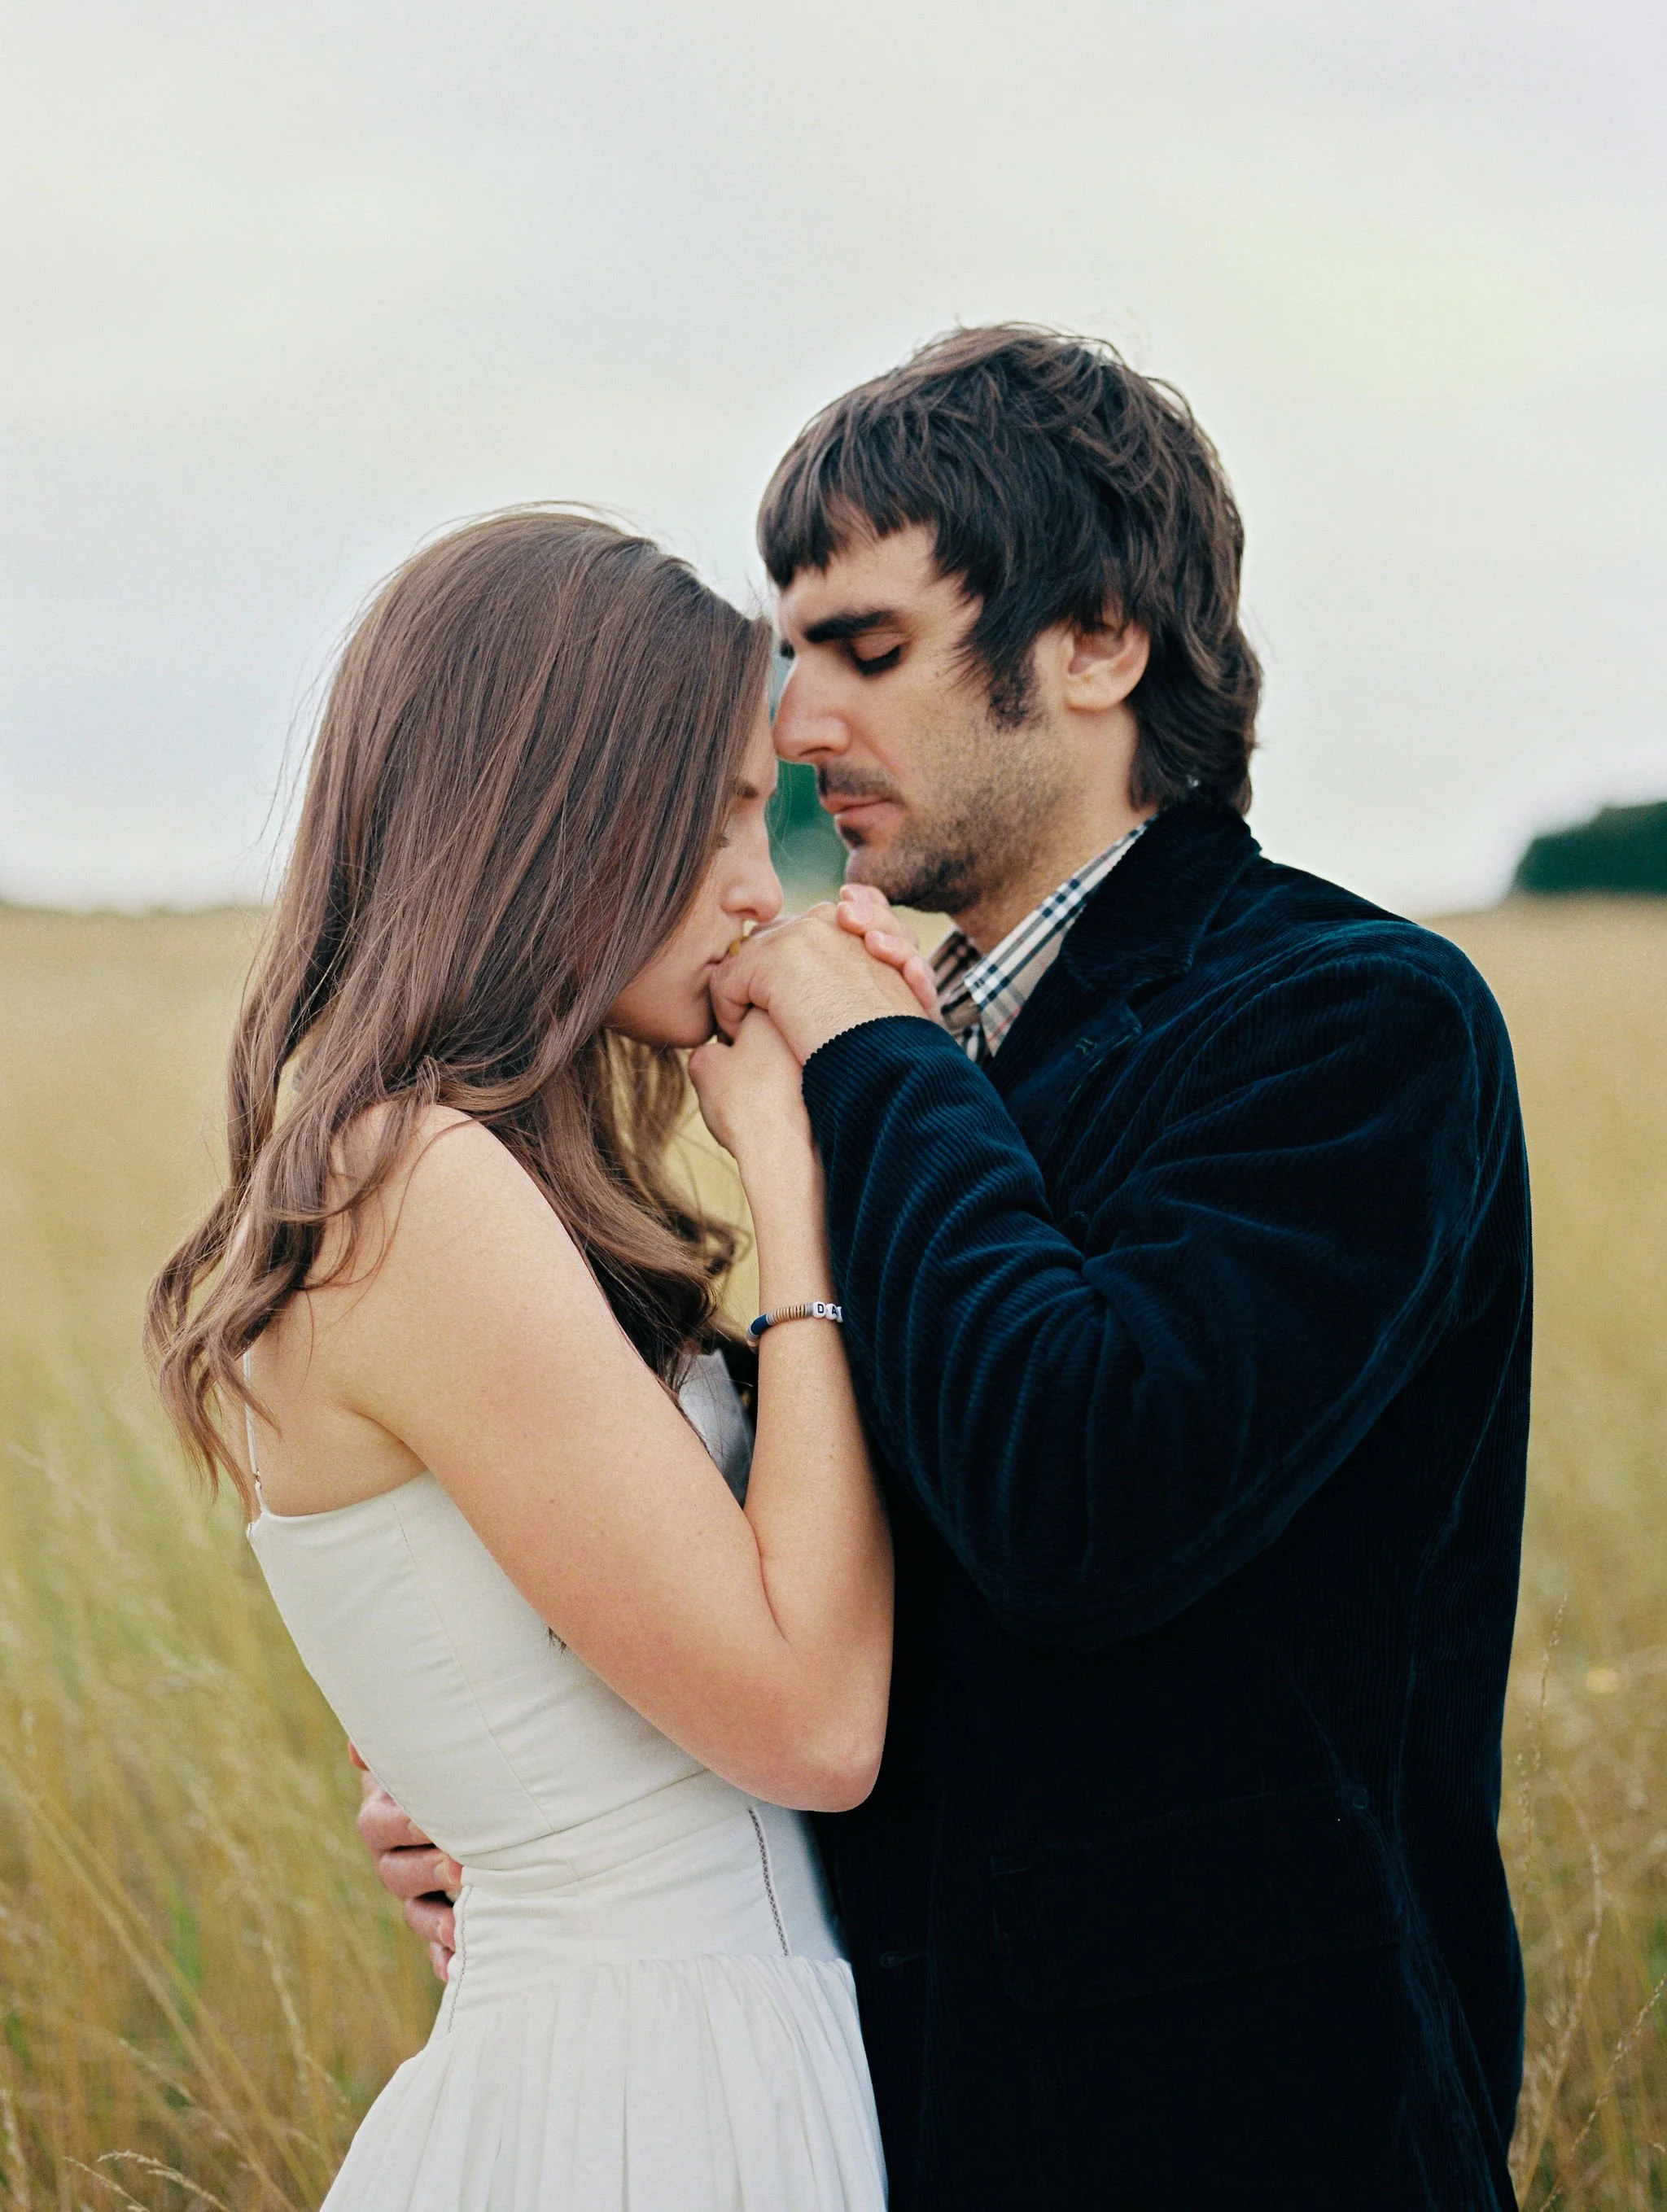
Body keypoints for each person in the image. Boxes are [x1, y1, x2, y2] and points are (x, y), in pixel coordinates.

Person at [371, 328, 1531, 2209]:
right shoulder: (897, 1045)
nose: (799, 724)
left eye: (870, 648)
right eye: (791, 652)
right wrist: (521, 1788)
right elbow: (802, 1582)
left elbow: (1079, 1489)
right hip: (892, 2112)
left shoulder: (1352, 1025)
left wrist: (866, 1065)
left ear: (1093, 644)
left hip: (1245, 2136)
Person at [147, 508, 913, 2211]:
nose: (754, 880)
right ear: (551, 812)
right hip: (637, 2104)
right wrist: (795, 1186)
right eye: (711, 814)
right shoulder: (408, 1185)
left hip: (716, 2054)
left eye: (762, 813)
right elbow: (808, 1723)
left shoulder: (471, 1182)